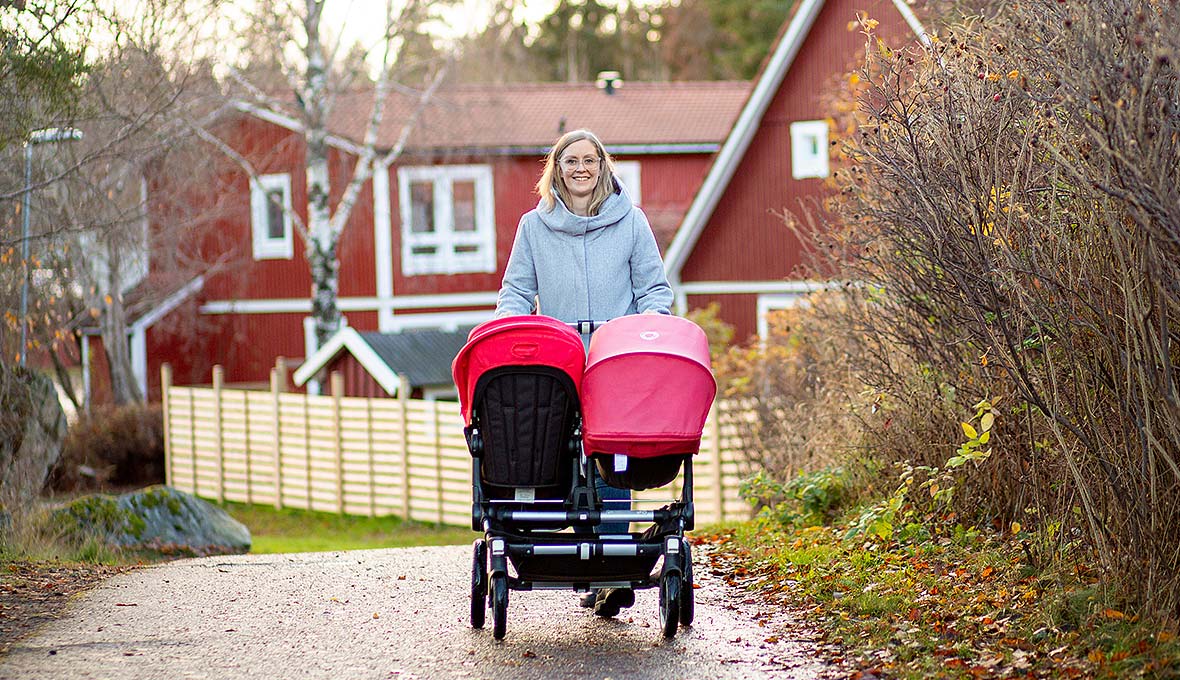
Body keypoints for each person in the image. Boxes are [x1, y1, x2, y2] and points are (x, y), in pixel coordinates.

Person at [495, 129, 673, 618]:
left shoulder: (631, 222)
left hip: (616, 356)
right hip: (559, 357)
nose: (580, 168)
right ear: (556, 169)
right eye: (570, 160)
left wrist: (649, 326)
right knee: (565, 451)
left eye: (589, 160)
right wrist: (509, 332)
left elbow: (654, 289)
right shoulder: (534, 227)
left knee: (612, 451)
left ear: (602, 167)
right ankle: (586, 559)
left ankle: (612, 567)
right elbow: (516, 292)